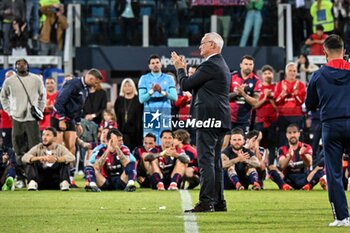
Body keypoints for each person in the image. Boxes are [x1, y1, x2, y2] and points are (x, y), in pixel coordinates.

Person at [171, 32, 231, 212]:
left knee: (206, 161)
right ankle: (219, 202)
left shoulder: (211, 64)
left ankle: (206, 201)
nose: (199, 47)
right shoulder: (220, 64)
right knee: (215, 162)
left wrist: (180, 68)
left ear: (213, 45)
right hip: (220, 118)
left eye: (202, 43)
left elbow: (186, 85)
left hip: (208, 119)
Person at [305, 34, 350, 227]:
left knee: (334, 172)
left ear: (324, 53)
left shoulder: (318, 74)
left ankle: (342, 217)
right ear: (344, 51)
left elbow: (310, 104)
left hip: (331, 126)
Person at [51, 69, 103, 186]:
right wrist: (61, 119)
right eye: (95, 82)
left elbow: (80, 107)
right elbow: (59, 101)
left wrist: (78, 122)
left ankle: (69, 178)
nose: (96, 85)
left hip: (71, 119)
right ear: (90, 78)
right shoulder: (73, 83)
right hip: (59, 117)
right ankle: (56, 178)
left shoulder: (86, 89)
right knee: (58, 147)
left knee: (72, 148)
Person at [0, 58, 46, 188]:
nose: (21, 66)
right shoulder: (9, 81)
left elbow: (43, 95)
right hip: (17, 119)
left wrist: (40, 110)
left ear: (27, 66)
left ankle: (34, 178)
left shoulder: (36, 79)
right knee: (18, 149)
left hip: (32, 119)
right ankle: (20, 177)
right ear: (15, 67)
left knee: (35, 149)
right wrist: (9, 111)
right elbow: (3, 96)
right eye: (18, 64)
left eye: (23, 64)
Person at [223, 55, 261, 149]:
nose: (248, 66)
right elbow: (224, 97)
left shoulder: (256, 80)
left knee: (243, 146)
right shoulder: (232, 77)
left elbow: (256, 103)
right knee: (224, 144)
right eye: (246, 64)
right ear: (241, 65)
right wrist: (236, 93)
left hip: (245, 119)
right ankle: (222, 163)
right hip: (229, 118)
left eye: (250, 64)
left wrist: (243, 94)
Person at [138, 54, 177, 144]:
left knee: (166, 139)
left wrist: (161, 92)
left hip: (165, 112)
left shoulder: (169, 78)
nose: (155, 64)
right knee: (150, 141)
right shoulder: (144, 79)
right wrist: (152, 91)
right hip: (150, 113)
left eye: (157, 62)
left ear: (161, 64)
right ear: (149, 66)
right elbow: (141, 99)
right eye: (153, 63)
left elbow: (174, 97)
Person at [274, 62, 306, 147]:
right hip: (283, 116)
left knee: (297, 139)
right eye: (290, 70)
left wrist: (296, 95)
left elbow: (301, 102)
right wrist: (282, 95)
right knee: (282, 138)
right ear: (286, 72)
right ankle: (282, 157)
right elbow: (276, 102)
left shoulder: (301, 85)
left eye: (294, 71)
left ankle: (297, 157)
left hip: (296, 115)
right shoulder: (279, 85)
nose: (292, 73)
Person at [114, 78, 143, 151]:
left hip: (136, 132)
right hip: (123, 132)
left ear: (133, 87)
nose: (127, 88)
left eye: (129, 86)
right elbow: (117, 115)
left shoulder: (138, 100)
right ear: (122, 88)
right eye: (125, 86)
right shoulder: (119, 100)